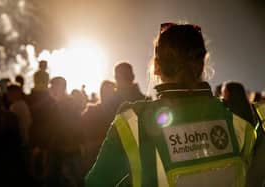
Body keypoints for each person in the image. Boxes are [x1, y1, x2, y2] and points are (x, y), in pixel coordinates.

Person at [85, 23, 256, 186]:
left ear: (156, 67)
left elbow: (95, 183)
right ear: (202, 63)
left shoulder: (133, 123)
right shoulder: (238, 124)